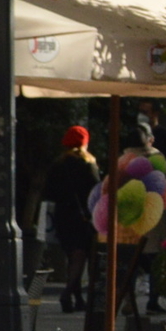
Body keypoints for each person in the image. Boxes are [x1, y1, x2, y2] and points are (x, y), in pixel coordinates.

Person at [42, 125, 100, 312]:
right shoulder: (88, 165)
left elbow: (48, 191)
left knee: (72, 256)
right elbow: (95, 192)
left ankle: (76, 297)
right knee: (80, 256)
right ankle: (67, 294)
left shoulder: (57, 165)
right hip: (81, 216)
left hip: (62, 215)